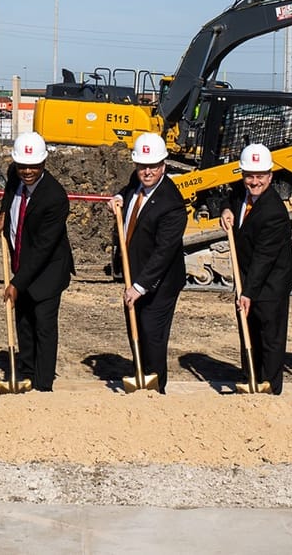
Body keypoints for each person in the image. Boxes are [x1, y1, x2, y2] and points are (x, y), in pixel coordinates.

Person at [0, 131, 74, 392]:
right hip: (21, 261)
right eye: (22, 166)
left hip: (48, 271)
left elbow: (43, 249)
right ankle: (26, 373)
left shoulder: (55, 198)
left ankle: (42, 384)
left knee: (43, 327)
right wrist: (4, 212)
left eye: (33, 166)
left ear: (43, 163)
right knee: (24, 324)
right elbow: (8, 193)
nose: (27, 171)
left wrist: (16, 284)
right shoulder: (13, 174)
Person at [109, 132, 186, 393]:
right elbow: (130, 189)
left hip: (159, 283)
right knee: (137, 331)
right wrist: (120, 196)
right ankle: (138, 376)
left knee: (152, 335)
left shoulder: (171, 204)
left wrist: (139, 287)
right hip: (135, 273)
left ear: (163, 165)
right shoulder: (136, 181)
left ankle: (155, 388)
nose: (147, 171)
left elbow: (164, 253)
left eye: (153, 166)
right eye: (142, 166)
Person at [219, 144, 292, 395]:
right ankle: (250, 377)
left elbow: (264, 257)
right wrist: (226, 210)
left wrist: (247, 293)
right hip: (248, 277)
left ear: (270, 177)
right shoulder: (241, 193)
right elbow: (228, 198)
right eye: (250, 176)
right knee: (247, 328)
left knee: (269, 336)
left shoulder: (273, 211)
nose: (254, 182)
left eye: (260, 176)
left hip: (270, 282)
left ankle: (270, 386)